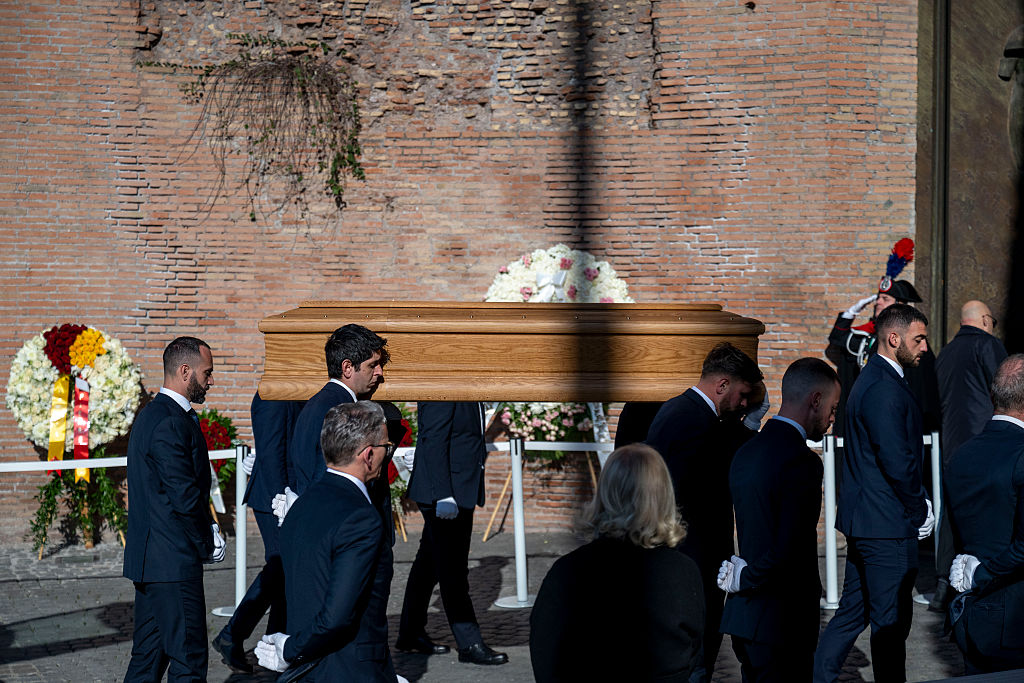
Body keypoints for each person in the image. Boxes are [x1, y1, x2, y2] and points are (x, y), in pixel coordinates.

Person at [814, 304, 937, 683]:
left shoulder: (879, 379)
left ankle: (819, 675)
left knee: (852, 612)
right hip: (885, 526)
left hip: (869, 521)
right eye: (919, 339)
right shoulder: (883, 386)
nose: (925, 347)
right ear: (893, 338)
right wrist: (920, 509)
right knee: (890, 626)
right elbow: (896, 458)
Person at [529, 443, 705, 682]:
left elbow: (545, 653)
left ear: (605, 493)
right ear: (663, 497)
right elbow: (691, 651)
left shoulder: (569, 571)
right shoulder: (683, 571)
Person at [645, 342, 768, 682]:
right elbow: (722, 472)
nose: (743, 404)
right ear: (722, 385)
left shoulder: (683, 412)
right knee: (695, 662)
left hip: (691, 561)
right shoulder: (692, 420)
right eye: (742, 395)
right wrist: (749, 429)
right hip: (692, 562)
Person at [255, 401, 398, 681]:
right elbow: (337, 616)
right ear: (368, 455)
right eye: (386, 448)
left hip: (309, 667)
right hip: (349, 669)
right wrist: (289, 650)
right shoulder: (361, 518)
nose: (388, 455)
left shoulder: (302, 505)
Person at [717, 358, 839, 681]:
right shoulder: (802, 463)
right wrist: (747, 577)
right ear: (815, 400)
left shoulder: (746, 451)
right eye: (832, 407)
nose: (831, 419)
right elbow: (790, 548)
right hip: (783, 621)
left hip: (745, 619)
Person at [123, 336, 225, 682]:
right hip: (172, 562)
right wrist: (206, 541)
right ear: (185, 372)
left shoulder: (153, 415)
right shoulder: (168, 420)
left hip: (152, 562)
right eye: (206, 373)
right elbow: (182, 495)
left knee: (147, 661)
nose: (211, 381)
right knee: (188, 661)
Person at [396, 401, 508, 665]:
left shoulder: (466, 390)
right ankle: (469, 643)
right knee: (453, 570)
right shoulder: (444, 391)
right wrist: (443, 494)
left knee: (428, 566)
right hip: (445, 493)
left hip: (457, 489)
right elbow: (433, 439)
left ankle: (410, 633)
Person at [211, 391, 304, 673]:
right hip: (275, 499)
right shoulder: (272, 395)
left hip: (287, 494)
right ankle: (234, 634)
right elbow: (273, 450)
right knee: (280, 569)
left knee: (285, 573)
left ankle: (270, 643)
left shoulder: (292, 390)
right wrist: (282, 502)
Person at [945, 354, 1024, 673]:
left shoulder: (962, 454)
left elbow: (949, 537)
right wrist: (981, 574)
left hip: (971, 615)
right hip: (1015, 622)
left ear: (993, 397)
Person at [930, 300, 1007, 611]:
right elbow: (1006, 391)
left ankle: (941, 586)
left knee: (951, 511)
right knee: (991, 510)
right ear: (986, 320)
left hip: (951, 445)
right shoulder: (989, 345)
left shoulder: (944, 353)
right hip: (986, 442)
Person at [826, 277, 941, 438]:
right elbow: (838, 338)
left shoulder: (912, 344)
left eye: (885, 299)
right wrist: (851, 312)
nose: (878, 302)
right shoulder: (870, 335)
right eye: (878, 297)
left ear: (899, 304)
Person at [289, 323, 389, 494]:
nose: (380, 372)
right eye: (372, 365)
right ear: (347, 367)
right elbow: (330, 475)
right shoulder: (342, 410)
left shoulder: (318, 402)